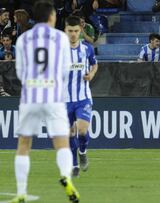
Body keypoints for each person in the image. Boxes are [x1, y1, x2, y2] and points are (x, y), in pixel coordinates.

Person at [11, 1, 80, 202]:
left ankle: (21, 192)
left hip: (30, 96)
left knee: (24, 144)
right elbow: (66, 69)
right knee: (62, 142)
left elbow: (20, 71)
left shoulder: (23, 39)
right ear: (51, 17)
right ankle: (66, 177)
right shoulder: (60, 38)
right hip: (54, 96)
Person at [64, 15, 98, 177]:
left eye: (76, 31)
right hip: (64, 99)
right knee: (70, 133)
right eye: (70, 31)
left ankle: (83, 152)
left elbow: (94, 64)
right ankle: (74, 165)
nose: (73, 34)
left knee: (82, 130)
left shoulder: (87, 48)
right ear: (65, 30)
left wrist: (91, 75)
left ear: (80, 31)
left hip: (83, 97)